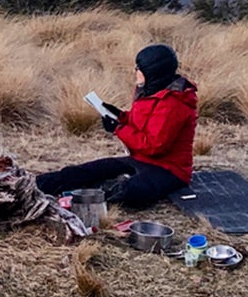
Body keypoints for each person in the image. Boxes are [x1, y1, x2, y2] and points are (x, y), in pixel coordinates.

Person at [36, 44, 198, 211]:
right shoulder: (149, 91)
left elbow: (153, 146)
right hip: (140, 160)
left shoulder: (174, 103)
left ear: (153, 72)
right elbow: (142, 123)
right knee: (86, 171)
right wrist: (120, 116)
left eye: (140, 68)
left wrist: (118, 129)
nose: (136, 71)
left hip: (169, 170)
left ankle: (83, 200)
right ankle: (32, 185)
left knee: (131, 191)